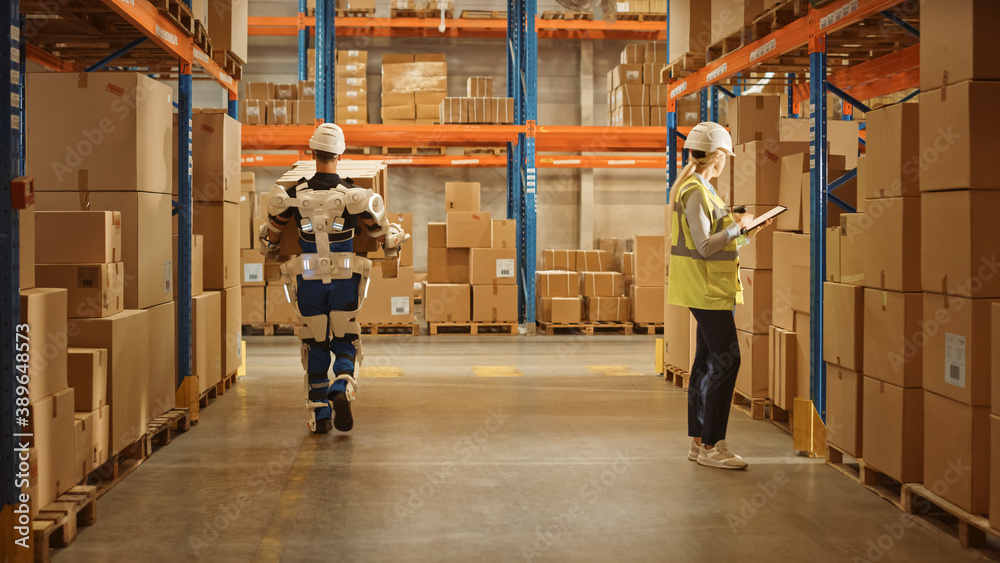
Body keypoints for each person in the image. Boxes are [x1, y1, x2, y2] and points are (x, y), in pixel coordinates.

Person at [259, 123, 408, 434]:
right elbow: (382, 237)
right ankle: (343, 381)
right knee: (345, 336)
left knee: (314, 340)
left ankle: (320, 414)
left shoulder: (292, 195)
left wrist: (271, 238)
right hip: (346, 279)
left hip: (308, 277)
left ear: (312, 152)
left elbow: (271, 239)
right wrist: (395, 236)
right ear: (341, 154)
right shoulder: (355, 194)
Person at [666, 122, 771, 470]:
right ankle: (713, 444)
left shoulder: (703, 189)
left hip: (708, 287)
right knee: (728, 361)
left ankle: (699, 442)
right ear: (720, 156)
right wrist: (736, 226)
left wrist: (745, 232)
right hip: (705, 289)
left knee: (705, 362)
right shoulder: (696, 191)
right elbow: (706, 246)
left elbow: (717, 240)